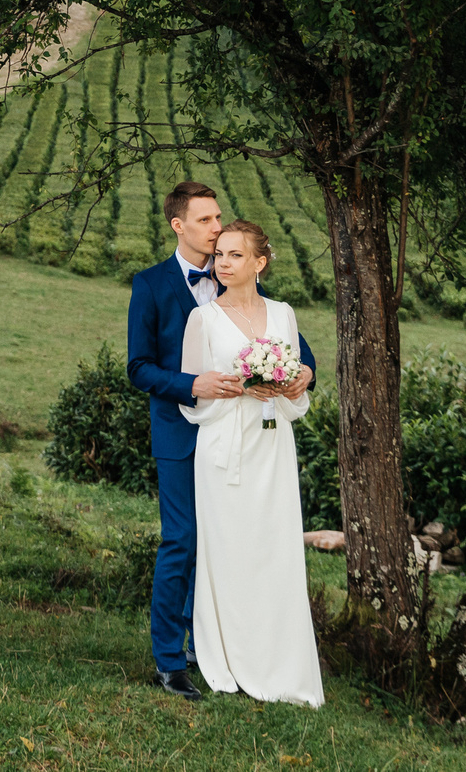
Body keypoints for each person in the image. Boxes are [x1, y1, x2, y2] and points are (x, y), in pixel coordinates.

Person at [124, 181, 317, 699]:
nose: (216, 229)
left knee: (227, 543)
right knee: (183, 542)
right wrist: (192, 385)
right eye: (206, 221)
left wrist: (304, 373)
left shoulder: (241, 286)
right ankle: (170, 659)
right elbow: (138, 368)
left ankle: (210, 643)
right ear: (178, 225)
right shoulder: (151, 285)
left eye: (219, 220)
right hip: (182, 437)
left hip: (247, 438)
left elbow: (299, 351)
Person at [180, 218, 323, 704]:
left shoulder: (283, 314)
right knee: (229, 550)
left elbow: (300, 370)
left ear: (259, 263)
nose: (222, 262)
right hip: (224, 450)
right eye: (219, 253)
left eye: (235, 254)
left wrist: (298, 376)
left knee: (273, 549)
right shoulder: (202, 318)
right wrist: (239, 385)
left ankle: (280, 660)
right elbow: (193, 398)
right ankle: (226, 658)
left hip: (273, 443)